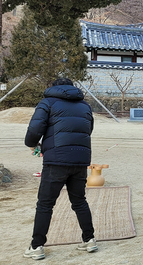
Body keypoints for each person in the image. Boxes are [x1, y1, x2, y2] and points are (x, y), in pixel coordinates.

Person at [23, 78, 97, 260]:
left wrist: (32, 144)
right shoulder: (85, 106)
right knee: (79, 201)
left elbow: (35, 129)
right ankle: (89, 240)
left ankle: (37, 246)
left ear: (53, 88)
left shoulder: (47, 102)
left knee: (45, 204)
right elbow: (88, 129)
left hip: (56, 160)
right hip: (80, 160)